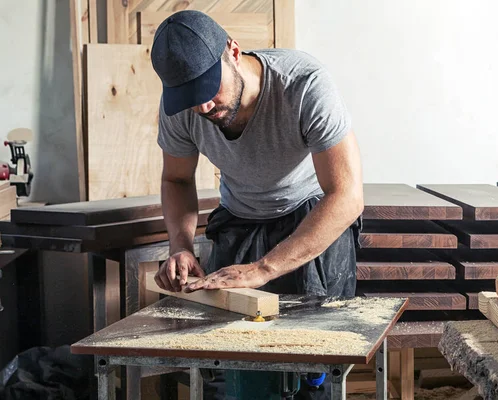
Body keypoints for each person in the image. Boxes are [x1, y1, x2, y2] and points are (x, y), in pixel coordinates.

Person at [150, 9, 363, 399]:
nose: (202, 108)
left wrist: (265, 268)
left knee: (313, 360)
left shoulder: (304, 84)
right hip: (240, 216)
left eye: (207, 90)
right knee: (227, 362)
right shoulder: (183, 109)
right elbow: (176, 179)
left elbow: (347, 196)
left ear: (232, 51)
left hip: (310, 214)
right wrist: (179, 246)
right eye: (189, 99)